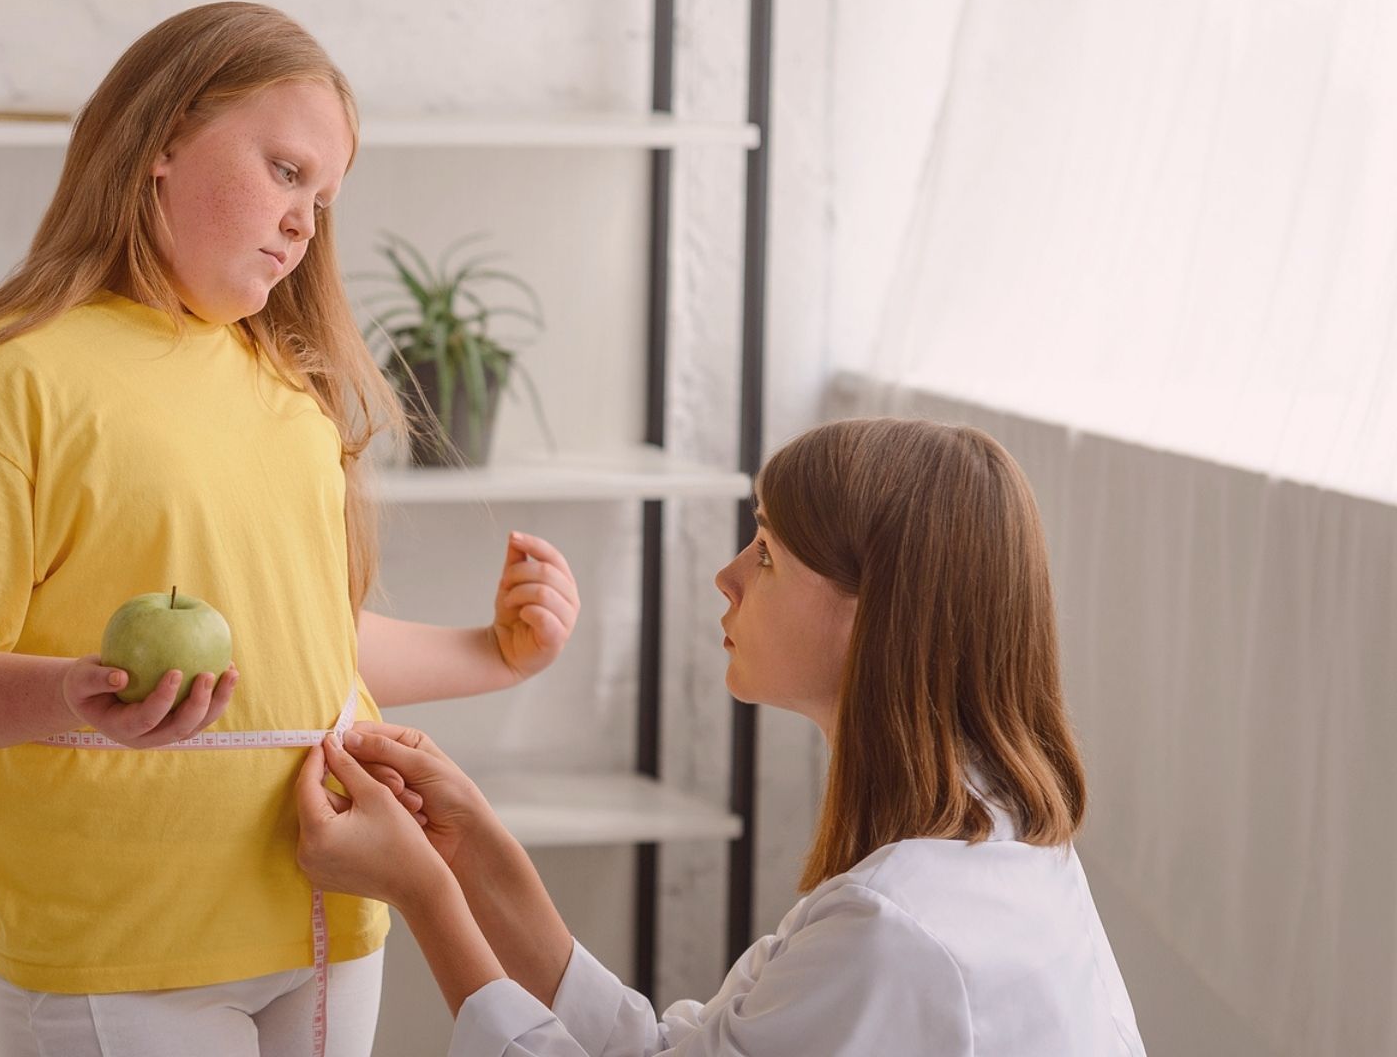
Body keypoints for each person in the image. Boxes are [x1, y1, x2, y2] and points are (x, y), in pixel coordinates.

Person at [0, 2, 582, 1057]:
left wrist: (495, 655)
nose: (306, 223)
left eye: (324, 197)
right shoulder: (5, 382)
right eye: (286, 170)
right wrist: (72, 694)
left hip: (331, 917)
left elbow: (300, 646)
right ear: (163, 142)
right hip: (119, 943)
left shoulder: (285, 388)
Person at [297, 417, 1148, 1055]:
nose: (728, 576)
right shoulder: (1001, 844)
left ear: (872, 614)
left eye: (768, 553)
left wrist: (424, 896)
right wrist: (473, 852)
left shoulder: (896, 931)